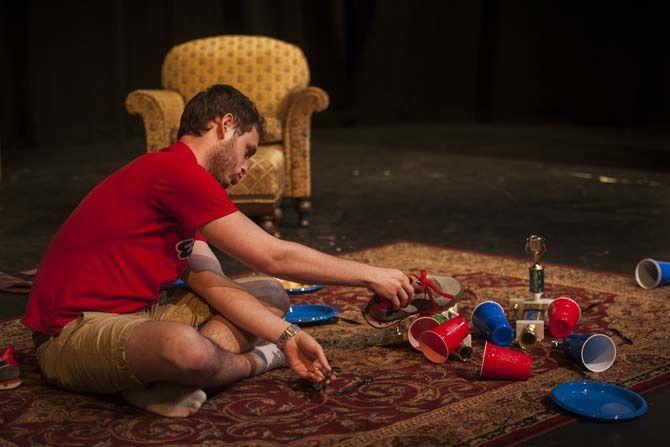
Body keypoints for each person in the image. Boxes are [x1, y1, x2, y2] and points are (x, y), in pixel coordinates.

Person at [23, 84, 415, 418]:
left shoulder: (182, 186)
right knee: (184, 348)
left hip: (138, 315)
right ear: (225, 124)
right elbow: (272, 256)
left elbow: (211, 282)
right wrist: (368, 273)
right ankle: (231, 367)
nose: (246, 167)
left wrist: (287, 335)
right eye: (248, 150)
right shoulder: (175, 171)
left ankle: (160, 381)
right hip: (71, 334)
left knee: (269, 294)